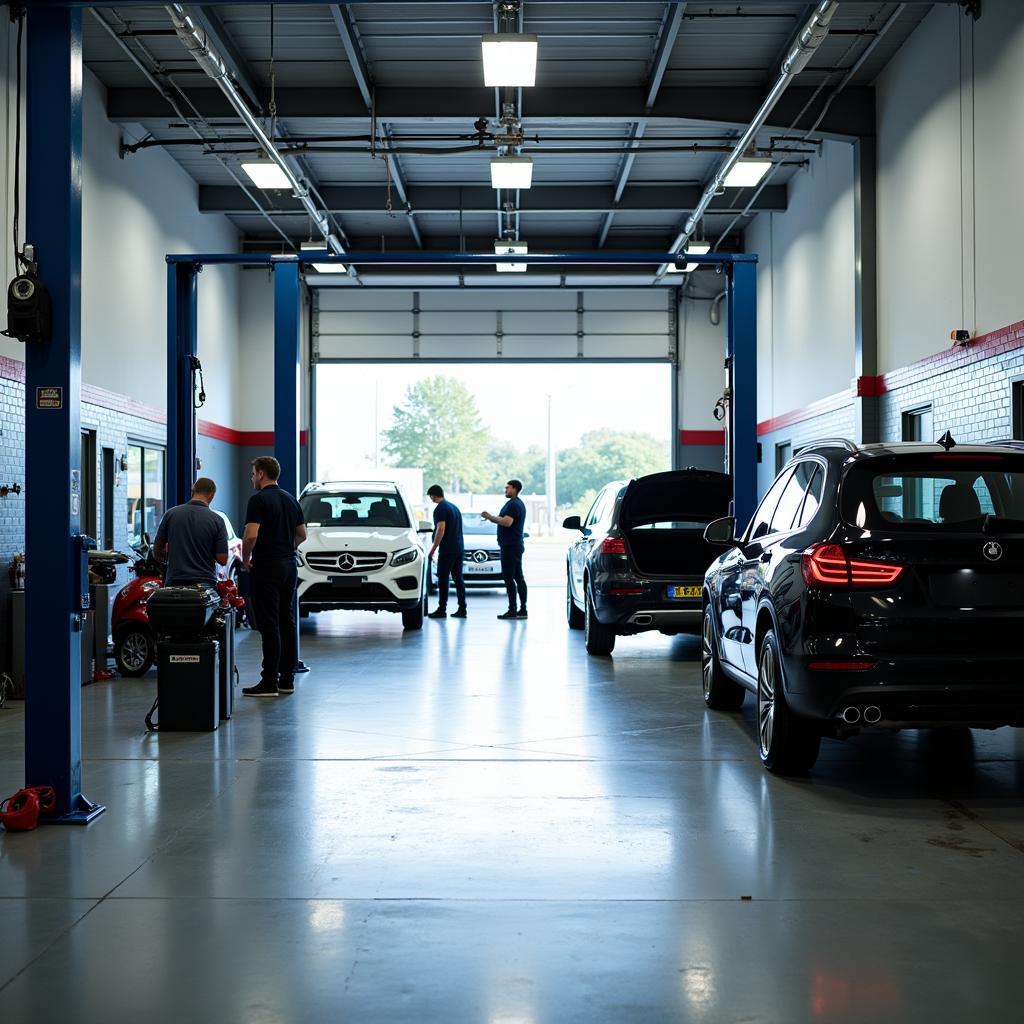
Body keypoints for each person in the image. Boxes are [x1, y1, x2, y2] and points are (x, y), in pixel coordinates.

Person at [241, 456, 306, 698]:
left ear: (260, 474)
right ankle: (287, 679)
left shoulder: (258, 500)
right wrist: (286, 548)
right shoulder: (291, 499)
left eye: (252, 474)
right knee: (286, 621)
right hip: (289, 566)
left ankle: (269, 681)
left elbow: (250, 535)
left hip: (266, 567)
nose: (251, 478)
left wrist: (247, 559)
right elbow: (302, 534)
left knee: (269, 624)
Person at [153, 477, 228, 586]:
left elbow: (157, 550)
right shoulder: (217, 520)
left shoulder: (171, 514)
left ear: (193, 491)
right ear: (212, 494)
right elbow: (222, 559)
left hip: (174, 583)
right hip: (205, 584)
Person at [481, 479, 527, 620]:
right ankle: (522, 609)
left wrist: (489, 517)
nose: (505, 490)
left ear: (514, 489)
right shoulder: (515, 503)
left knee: (509, 578)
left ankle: (512, 609)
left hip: (510, 546)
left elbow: (507, 522)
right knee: (518, 577)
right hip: (514, 545)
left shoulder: (514, 505)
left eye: (507, 488)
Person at [426, 484, 466, 619]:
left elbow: (440, 529)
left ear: (433, 495)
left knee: (443, 579)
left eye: (430, 496)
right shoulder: (454, 507)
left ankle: (441, 609)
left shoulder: (440, 509)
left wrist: (433, 549)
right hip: (458, 548)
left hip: (448, 549)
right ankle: (462, 608)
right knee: (458, 578)